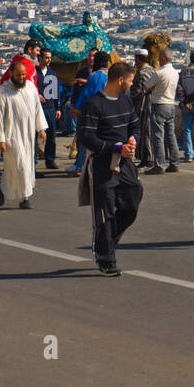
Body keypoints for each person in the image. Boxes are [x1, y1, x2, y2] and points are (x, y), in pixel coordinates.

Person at [78, 61, 142, 276]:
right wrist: (115, 147)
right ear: (121, 80)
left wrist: (133, 138)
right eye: (131, 81)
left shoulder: (125, 101)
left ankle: (106, 242)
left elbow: (135, 124)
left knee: (132, 201)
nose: (132, 85)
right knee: (105, 212)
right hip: (103, 165)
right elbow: (87, 137)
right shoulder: (93, 104)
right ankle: (106, 258)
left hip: (125, 164)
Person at [0, 59, 47, 209]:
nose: (21, 78)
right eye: (18, 75)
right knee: (20, 165)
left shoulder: (30, 87)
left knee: (24, 166)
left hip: (28, 135)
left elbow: (37, 109)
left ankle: (2, 187)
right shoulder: (3, 91)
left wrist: (41, 129)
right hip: (11, 136)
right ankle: (24, 198)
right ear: (11, 74)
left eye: (23, 75)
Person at [66, 51, 111, 175]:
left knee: (85, 140)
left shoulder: (95, 75)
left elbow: (87, 94)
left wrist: (77, 109)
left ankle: (80, 166)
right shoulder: (109, 74)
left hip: (92, 113)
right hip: (106, 112)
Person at [144, 48, 180, 174]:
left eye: (160, 58)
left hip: (159, 104)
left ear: (163, 59)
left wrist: (153, 88)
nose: (158, 60)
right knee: (171, 136)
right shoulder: (175, 73)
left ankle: (159, 165)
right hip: (171, 105)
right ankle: (174, 163)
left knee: (158, 136)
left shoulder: (159, 73)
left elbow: (146, 86)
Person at [128, 48, 155, 170]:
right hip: (151, 104)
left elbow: (138, 92)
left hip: (143, 106)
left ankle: (147, 158)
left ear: (138, 59)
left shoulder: (141, 73)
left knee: (144, 133)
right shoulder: (152, 70)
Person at [35, 47, 60, 169]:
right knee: (34, 135)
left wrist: (58, 107)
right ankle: (33, 160)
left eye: (50, 58)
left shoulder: (52, 73)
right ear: (40, 58)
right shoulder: (34, 73)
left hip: (50, 108)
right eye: (46, 57)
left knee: (51, 135)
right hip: (37, 108)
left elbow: (56, 91)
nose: (49, 60)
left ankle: (50, 160)